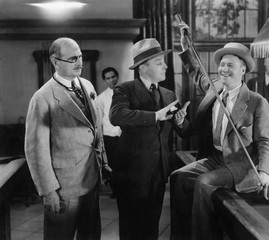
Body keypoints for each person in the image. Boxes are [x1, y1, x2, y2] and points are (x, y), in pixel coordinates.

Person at [170, 24, 269, 240]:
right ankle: (181, 236)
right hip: (214, 158)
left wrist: (264, 172)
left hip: (239, 164)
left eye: (230, 65)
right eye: (221, 65)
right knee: (177, 177)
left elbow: (265, 141)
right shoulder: (214, 87)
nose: (223, 69)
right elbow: (195, 70)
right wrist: (185, 47)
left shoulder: (257, 102)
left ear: (243, 70)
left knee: (204, 182)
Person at [25, 37, 108, 240]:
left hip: (91, 179)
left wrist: (103, 164)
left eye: (80, 56)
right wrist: (49, 191)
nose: (79, 62)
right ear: (55, 61)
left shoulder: (87, 85)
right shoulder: (42, 97)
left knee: (91, 235)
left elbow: (96, 129)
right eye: (72, 59)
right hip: (63, 188)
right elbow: (36, 150)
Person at [110, 38, 190, 240]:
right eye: (159, 62)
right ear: (143, 67)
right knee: (131, 228)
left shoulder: (168, 94)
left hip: (158, 172)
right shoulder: (124, 89)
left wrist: (180, 122)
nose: (165, 66)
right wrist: (155, 116)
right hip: (131, 172)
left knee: (151, 226)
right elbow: (116, 116)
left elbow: (185, 131)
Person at [96, 67, 121, 195]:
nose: (111, 80)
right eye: (108, 78)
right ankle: (115, 190)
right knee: (112, 165)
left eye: (113, 77)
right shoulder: (100, 98)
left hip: (125, 136)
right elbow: (99, 120)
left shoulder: (127, 93)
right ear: (105, 81)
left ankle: (125, 190)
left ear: (117, 77)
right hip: (109, 137)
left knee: (126, 164)